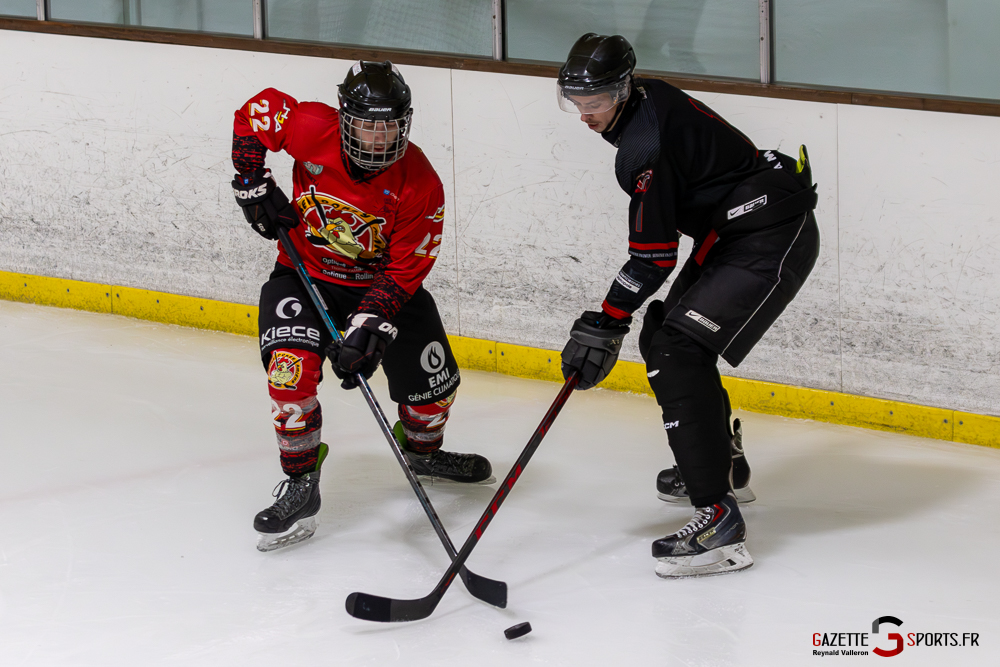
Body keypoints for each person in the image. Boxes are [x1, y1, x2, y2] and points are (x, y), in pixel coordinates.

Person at [557, 34, 820, 578]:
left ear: (625, 88)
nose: (586, 115)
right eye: (577, 101)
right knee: (663, 336)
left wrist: (605, 321)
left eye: (598, 101)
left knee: (677, 348)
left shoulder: (643, 146)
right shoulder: (644, 104)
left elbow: (652, 259)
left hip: (769, 233)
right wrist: (617, 321)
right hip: (732, 229)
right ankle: (722, 462)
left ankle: (719, 523)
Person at [230, 60, 494, 552]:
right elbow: (253, 114)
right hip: (304, 279)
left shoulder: (421, 183)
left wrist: (368, 328)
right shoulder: (309, 126)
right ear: (344, 118)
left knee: (433, 392)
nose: (378, 140)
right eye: (367, 126)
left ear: (405, 123)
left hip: (381, 288)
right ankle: (302, 482)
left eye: (389, 127)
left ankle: (423, 453)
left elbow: (405, 270)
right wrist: (252, 183)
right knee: (288, 375)